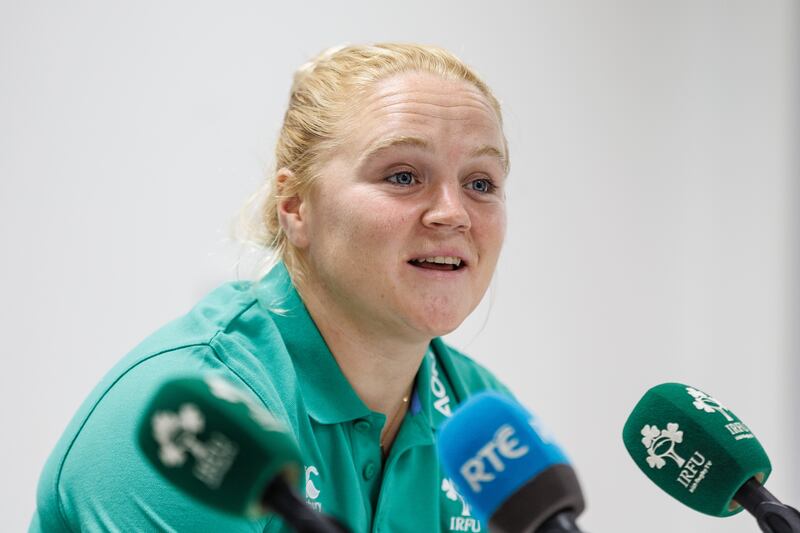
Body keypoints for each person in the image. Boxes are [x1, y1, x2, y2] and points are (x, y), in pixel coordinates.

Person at [31, 43, 513, 533]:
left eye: (480, 184)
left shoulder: (486, 421)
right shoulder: (194, 425)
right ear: (296, 206)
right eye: (403, 176)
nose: (453, 213)